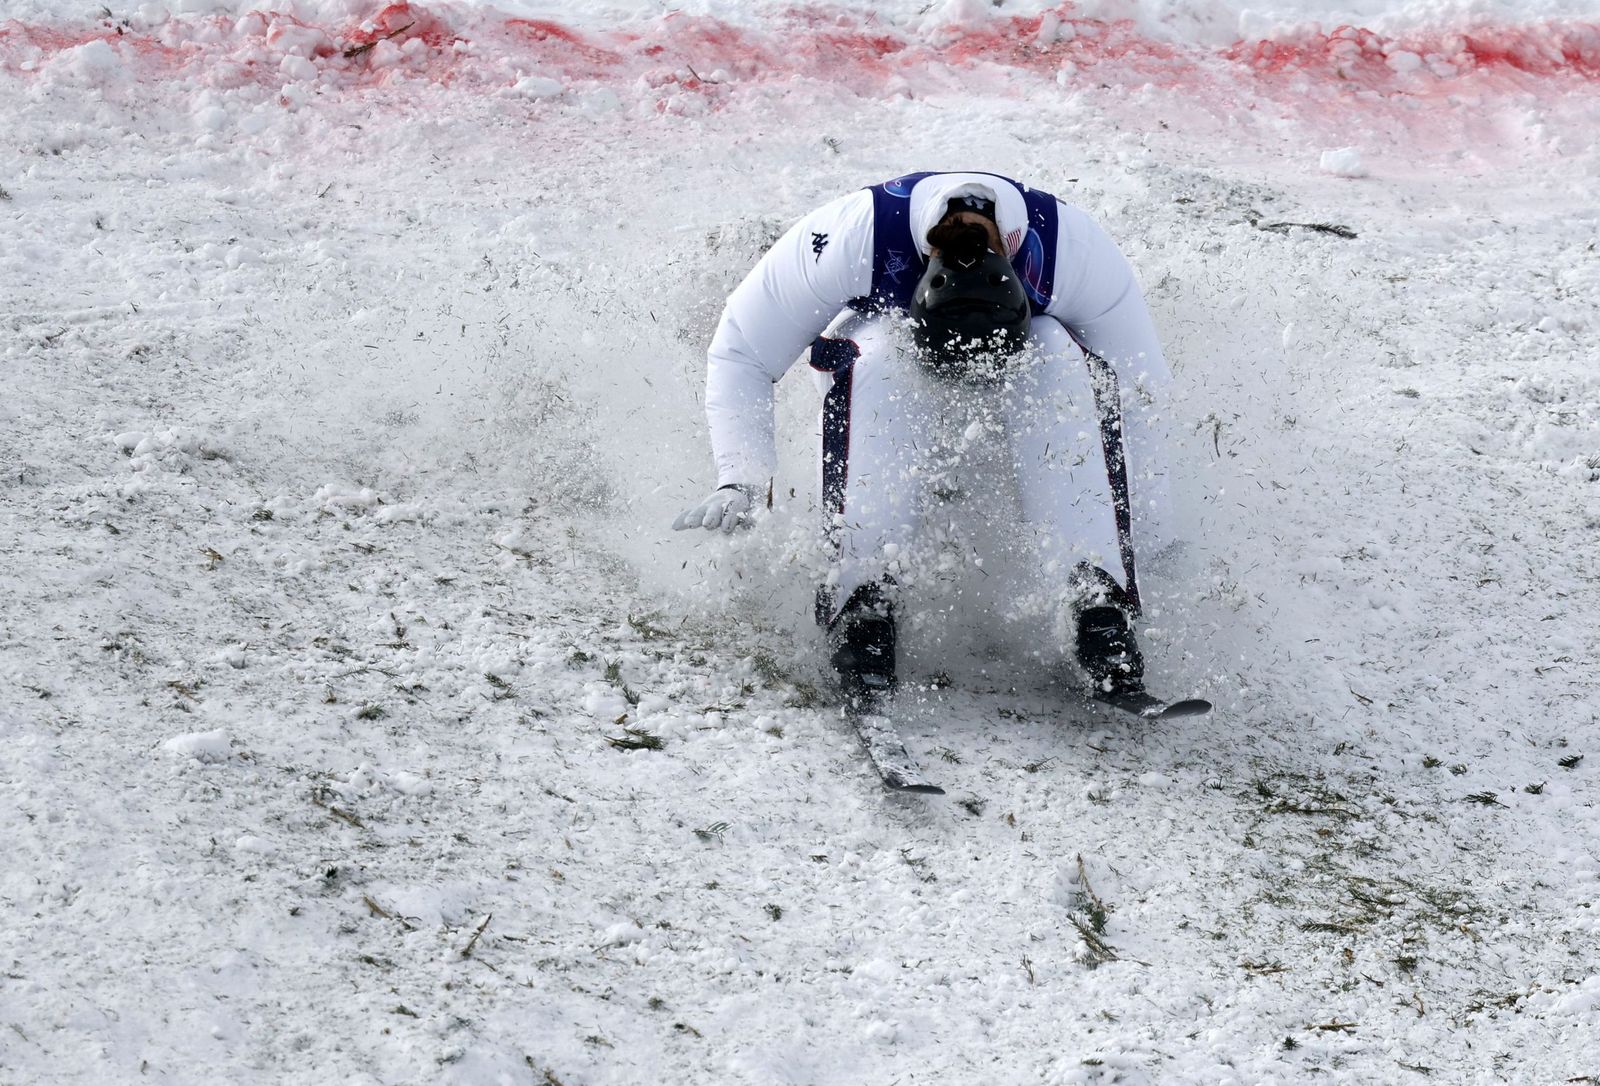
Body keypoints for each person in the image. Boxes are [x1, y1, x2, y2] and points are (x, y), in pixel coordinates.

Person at [673, 171, 1175, 708]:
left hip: (1027, 373)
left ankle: (1096, 603)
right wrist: (740, 478)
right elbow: (743, 352)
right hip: (882, 355)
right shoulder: (850, 237)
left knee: (1056, 348)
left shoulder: (1072, 255)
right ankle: (861, 602)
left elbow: (1141, 393)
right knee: (883, 355)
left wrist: (1155, 531)